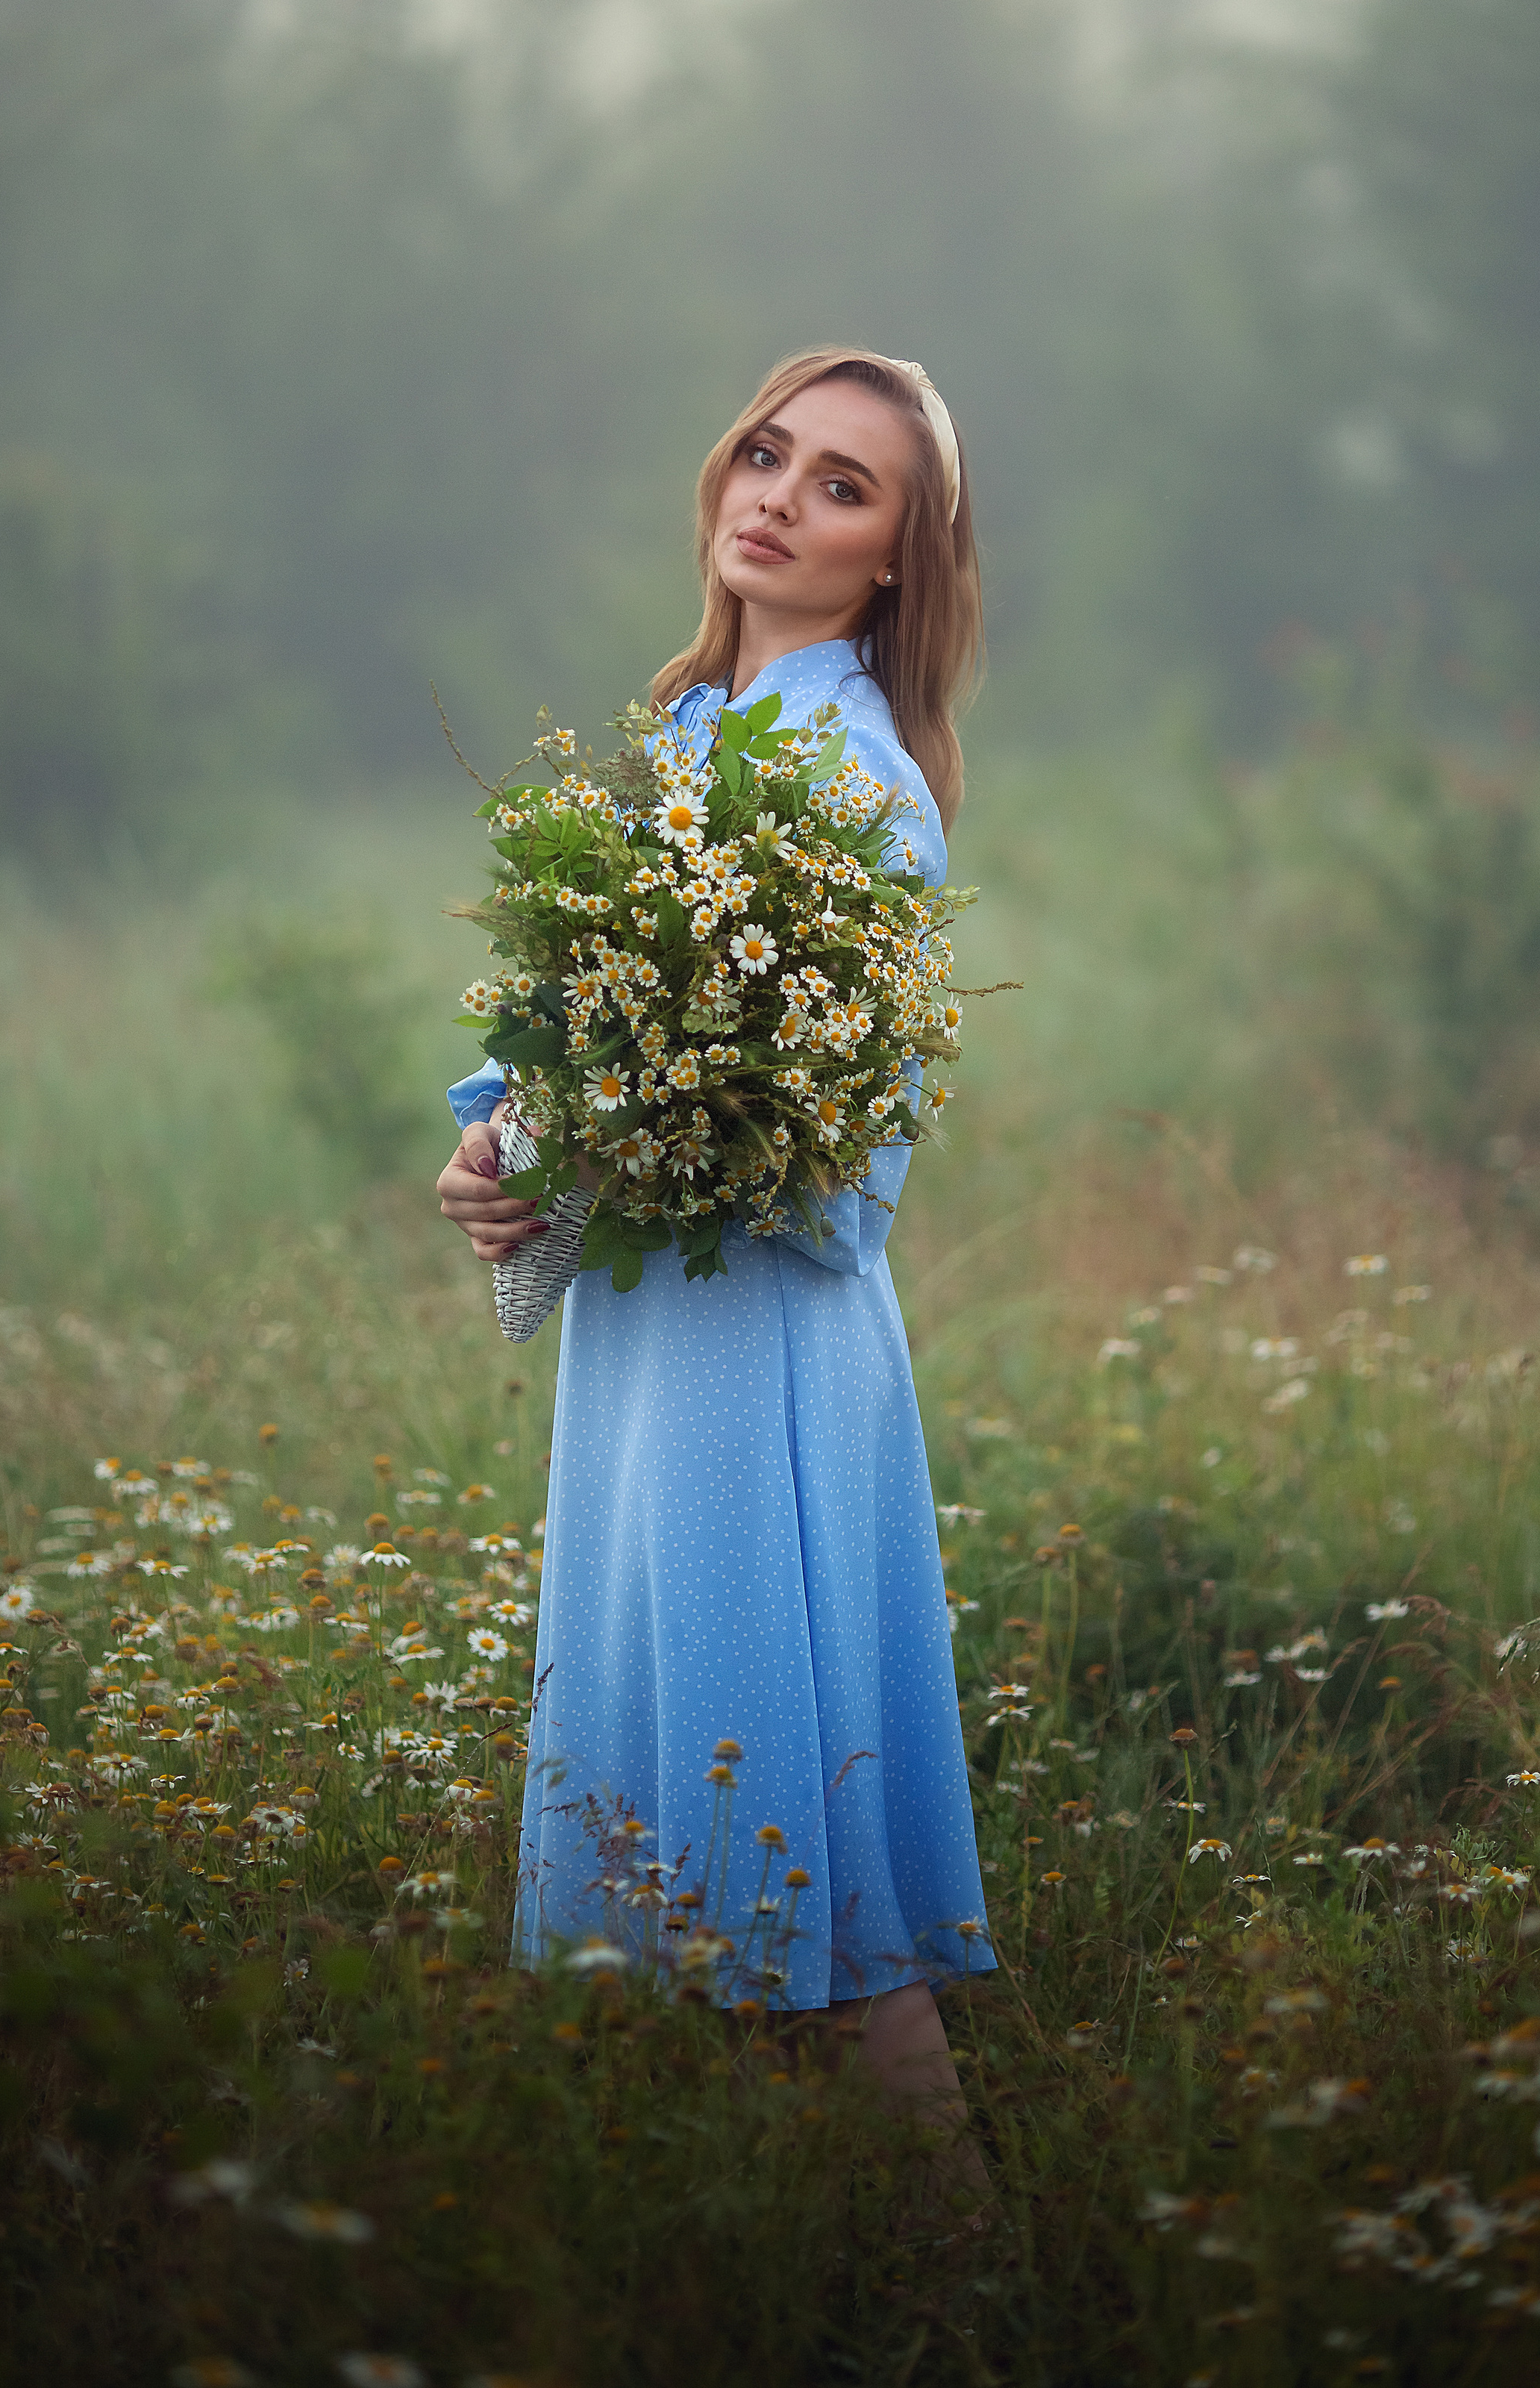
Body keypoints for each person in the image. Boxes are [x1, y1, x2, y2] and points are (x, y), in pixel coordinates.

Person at [436, 348, 993, 2201]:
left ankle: (978, 2291)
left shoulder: (864, 782)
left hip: (761, 1347)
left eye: (844, 485)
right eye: (769, 453)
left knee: (806, 1890)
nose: (780, 495)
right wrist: (504, 1146)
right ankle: (785, 2275)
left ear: (900, 562)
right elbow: (587, 1044)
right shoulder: (684, 737)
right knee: (685, 1890)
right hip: (647, 1342)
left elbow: (852, 1146)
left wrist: (609, 1144)